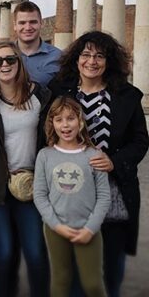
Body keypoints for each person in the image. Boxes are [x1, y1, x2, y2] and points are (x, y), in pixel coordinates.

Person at [49, 31, 149, 297]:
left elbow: (140, 142)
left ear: (109, 61)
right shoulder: (59, 90)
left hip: (114, 191)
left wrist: (114, 161)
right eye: (86, 54)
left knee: (111, 268)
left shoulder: (126, 96)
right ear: (76, 58)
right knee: (72, 269)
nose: (91, 61)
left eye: (99, 56)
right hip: (70, 192)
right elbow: (45, 135)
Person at [0, 41, 51, 297]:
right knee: (5, 251)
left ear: (19, 62)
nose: (4, 65)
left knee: (35, 252)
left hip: (31, 186)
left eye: (10, 60)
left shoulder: (41, 96)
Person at [34, 96, 110, 297]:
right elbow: (40, 195)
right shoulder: (45, 155)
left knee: (93, 284)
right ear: (52, 123)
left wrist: (90, 228)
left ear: (80, 121)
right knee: (61, 281)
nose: (65, 125)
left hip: (88, 230)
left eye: (70, 118)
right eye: (59, 120)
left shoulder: (94, 155)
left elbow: (104, 197)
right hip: (56, 229)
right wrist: (56, 225)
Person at [13, 1, 61, 87]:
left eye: (33, 22)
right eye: (22, 23)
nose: (27, 28)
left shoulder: (58, 57)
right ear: (15, 26)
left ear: (41, 23)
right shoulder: (3, 56)